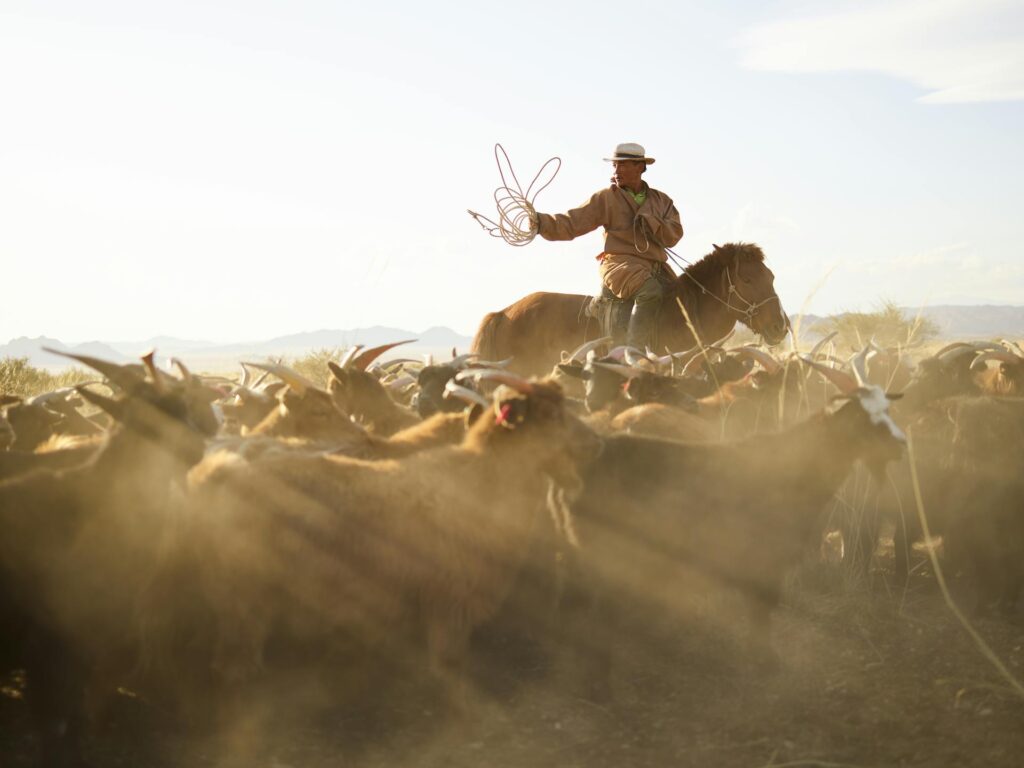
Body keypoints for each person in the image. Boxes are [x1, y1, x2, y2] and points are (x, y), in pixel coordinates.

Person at [535, 142, 684, 348]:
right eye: (615, 166)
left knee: (684, 297)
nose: (617, 170)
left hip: (656, 266)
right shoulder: (606, 198)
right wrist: (540, 223)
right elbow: (572, 222)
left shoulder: (662, 200)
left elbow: (674, 234)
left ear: (640, 167)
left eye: (623, 165)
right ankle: (634, 350)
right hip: (620, 264)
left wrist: (652, 221)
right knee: (650, 292)